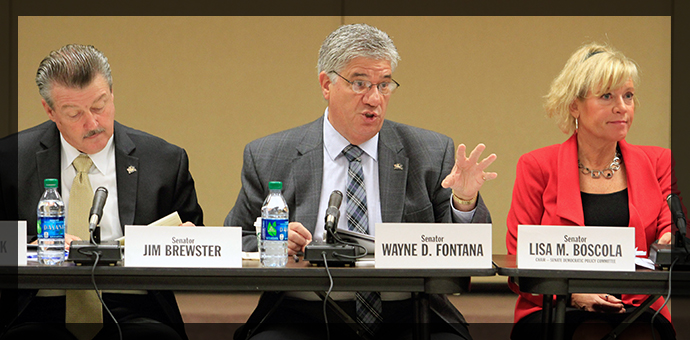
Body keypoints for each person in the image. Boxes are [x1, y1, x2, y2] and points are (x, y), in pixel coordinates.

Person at [225, 23, 497, 340]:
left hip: (410, 310)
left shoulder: (430, 152)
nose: (374, 98)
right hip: (303, 312)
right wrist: (271, 245)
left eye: (384, 85)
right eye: (360, 83)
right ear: (326, 84)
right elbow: (234, 240)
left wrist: (464, 201)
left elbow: (468, 254)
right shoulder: (270, 155)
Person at [0, 44, 203, 339]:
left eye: (99, 106)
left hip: (134, 305)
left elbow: (198, 239)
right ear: (50, 110)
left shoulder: (164, 160)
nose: (92, 123)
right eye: (74, 113)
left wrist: (186, 239)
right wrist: (34, 245)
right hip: (38, 307)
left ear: (112, 94)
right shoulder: (9, 158)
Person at [506, 42, 677, 340]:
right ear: (574, 105)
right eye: (607, 96)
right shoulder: (537, 166)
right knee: (591, 331)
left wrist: (671, 238)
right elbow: (519, 258)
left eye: (628, 96)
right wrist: (574, 295)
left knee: (640, 334)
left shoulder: (659, 162)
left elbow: (670, 227)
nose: (621, 106)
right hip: (556, 305)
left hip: (638, 303)